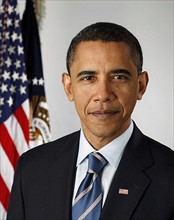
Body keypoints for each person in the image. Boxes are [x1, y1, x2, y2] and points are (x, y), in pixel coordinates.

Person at [7, 22, 174, 220]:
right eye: (88, 78)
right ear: (69, 87)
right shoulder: (32, 168)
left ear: (140, 85)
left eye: (119, 76)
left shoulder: (170, 176)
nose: (103, 95)